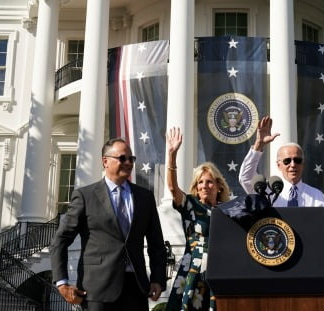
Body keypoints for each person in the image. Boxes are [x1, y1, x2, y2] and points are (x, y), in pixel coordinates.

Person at [50, 138, 167, 310]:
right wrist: (62, 282)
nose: (128, 163)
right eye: (122, 158)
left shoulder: (145, 197)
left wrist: (158, 278)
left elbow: (156, 244)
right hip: (97, 290)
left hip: (136, 288)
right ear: (105, 161)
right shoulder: (85, 196)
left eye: (131, 159)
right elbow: (60, 240)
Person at [238, 115, 324, 290]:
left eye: (297, 160)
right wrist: (259, 145)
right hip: (273, 264)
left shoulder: (316, 196)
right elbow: (245, 178)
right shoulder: (266, 192)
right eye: (287, 161)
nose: (292, 165)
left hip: (309, 266)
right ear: (279, 165)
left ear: (303, 164)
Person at [165, 127, 230, 310]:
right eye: (200, 182)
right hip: (193, 268)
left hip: (220, 268)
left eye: (209, 181)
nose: (204, 186)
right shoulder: (190, 205)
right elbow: (172, 188)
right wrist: (172, 155)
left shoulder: (227, 211)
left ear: (218, 186)